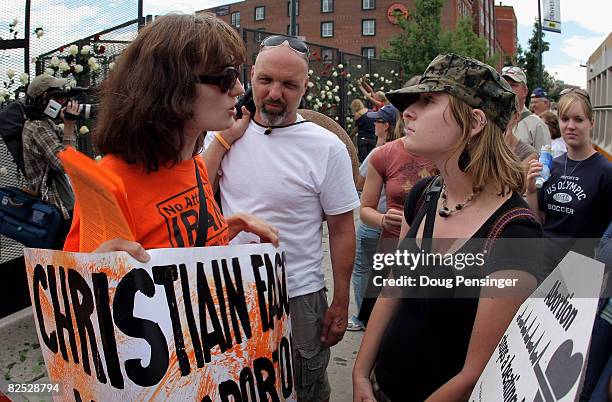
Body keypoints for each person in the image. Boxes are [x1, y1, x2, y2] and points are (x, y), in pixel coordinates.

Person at [353, 53, 542, 401]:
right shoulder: (425, 195)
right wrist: (361, 372)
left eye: (427, 101)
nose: (408, 112)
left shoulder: (515, 232)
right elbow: (395, 286)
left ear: (474, 123)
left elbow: (475, 373)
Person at [203, 35, 359, 402]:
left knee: (303, 388)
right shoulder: (221, 136)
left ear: (306, 86)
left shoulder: (326, 147)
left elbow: (340, 229)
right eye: (266, 80)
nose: (275, 93)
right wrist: (224, 141)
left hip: (299, 297)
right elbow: (196, 198)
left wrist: (340, 302)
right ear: (251, 76)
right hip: (229, 294)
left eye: (289, 85)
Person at [64, 14, 278, 255]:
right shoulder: (110, 184)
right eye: (226, 77)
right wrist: (98, 272)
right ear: (174, 85)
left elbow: (177, 249)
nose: (239, 89)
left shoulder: (194, 164)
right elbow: (78, 285)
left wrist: (228, 227)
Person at [526, 88, 612, 263]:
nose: (570, 126)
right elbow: (540, 223)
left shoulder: (605, 171)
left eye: (578, 119)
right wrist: (531, 192)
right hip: (544, 264)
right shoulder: (552, 167)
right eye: (565, 119)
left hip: (581, 268)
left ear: (591, 123)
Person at [348, 105, 403, 332]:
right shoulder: (394, 151)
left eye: (378, 120)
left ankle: (364, 318)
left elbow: (360, 185)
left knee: (363, 269)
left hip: (375, 223)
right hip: (394, 224)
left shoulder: (381, 154)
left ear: (386, 125)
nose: (374, 124)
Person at [22, 74, 80, 249]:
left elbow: (71, 149)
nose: (61, 102)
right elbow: (67, 163)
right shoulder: (38, 127)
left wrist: (68, 123)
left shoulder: (44, 124)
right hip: (56, 206)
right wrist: (69, 125)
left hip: (60, 203)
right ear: (43, 99)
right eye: (56, 97)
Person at [501, 66, 551, 151]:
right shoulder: (491, 120)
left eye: (513, 85)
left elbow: (545, 161)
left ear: (525, 91)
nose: (507, 88)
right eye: (504, 84)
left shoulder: (537, 125)